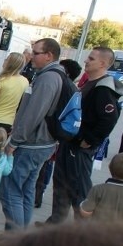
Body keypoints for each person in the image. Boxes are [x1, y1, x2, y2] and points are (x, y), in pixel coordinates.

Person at [44, 47, 123, 224]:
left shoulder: (103, 89)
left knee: (78, 189)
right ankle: (55, 224)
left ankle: (83, 231)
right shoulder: (91, 83)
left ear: (103, 63)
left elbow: (109, 119)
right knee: (61, 185)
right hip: (70, 143)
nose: (86, 61)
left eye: (91, 58)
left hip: (79, 148)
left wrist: (90, 140)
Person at [0, 38, 63, 231]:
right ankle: (21, 238)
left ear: (49, 55)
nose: (31, 56)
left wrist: (14, 141)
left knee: (10, 191)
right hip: (40, 144)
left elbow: (34, 114)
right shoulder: (52, 75)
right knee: (25, 191)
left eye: (35, 53)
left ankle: (14, 241)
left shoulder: (48, 78)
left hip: (31, 145)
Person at [34, 58, 83, 208]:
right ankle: (39, 194)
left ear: (65, 72)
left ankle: (37, 193)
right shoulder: (73, 90)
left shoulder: (63, 88)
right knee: (47, 166)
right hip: (61, 136)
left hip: (52, 135)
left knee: (44, 166)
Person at [79, 152, 123, 221]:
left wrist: (82, 204)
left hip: (99, 229)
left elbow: (85, 212)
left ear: (109, 167)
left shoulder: (98, 189)